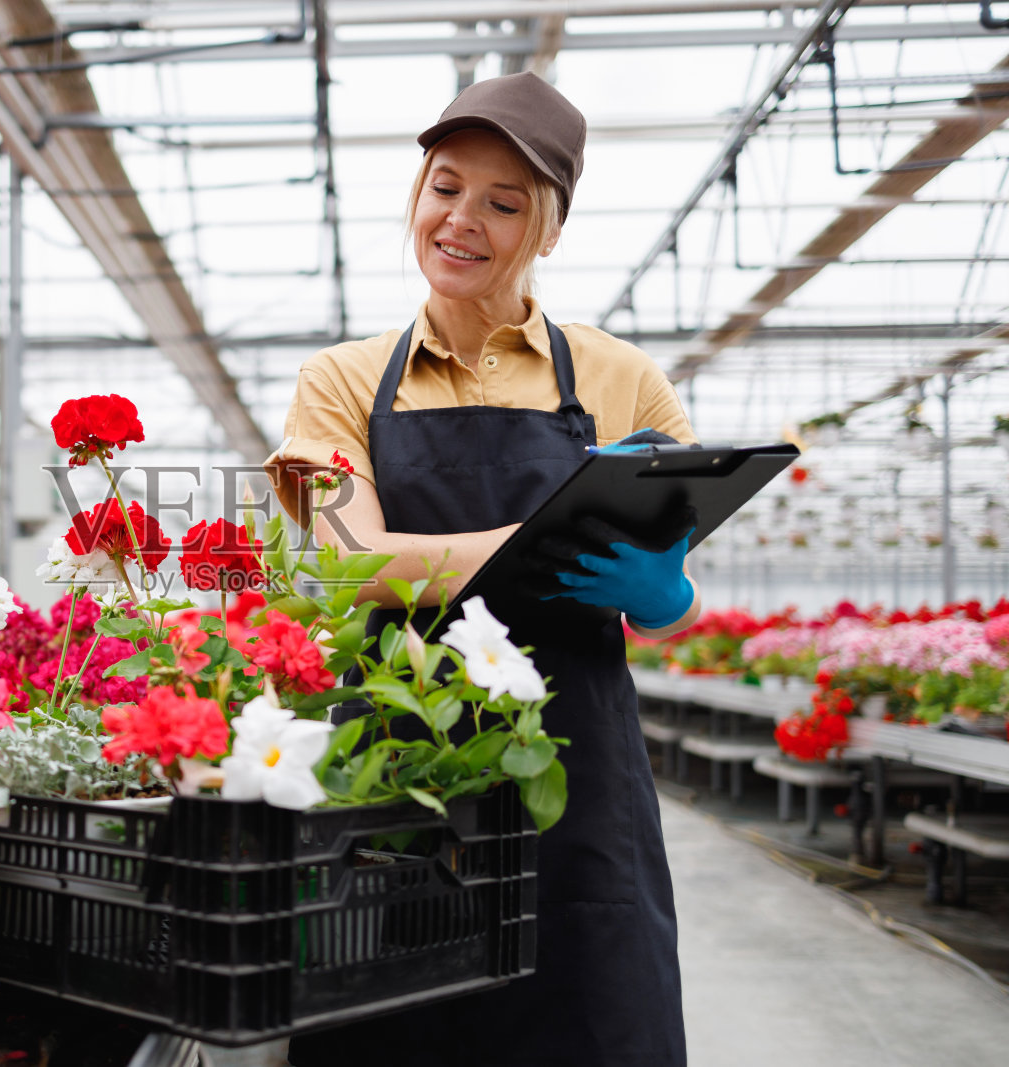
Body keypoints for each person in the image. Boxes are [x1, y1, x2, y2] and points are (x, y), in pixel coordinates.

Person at [265, 72, 695, 1066]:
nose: (462, 220)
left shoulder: (622, 378)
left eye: (504, 204)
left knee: (593, 1018)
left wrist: (663, 594)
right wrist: (546, 537)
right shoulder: (337, 381)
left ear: (547, 230)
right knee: (394, 1031)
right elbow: (349, 562)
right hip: (397, 770)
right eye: (445, 187)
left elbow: (670, 567)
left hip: (575, 771)